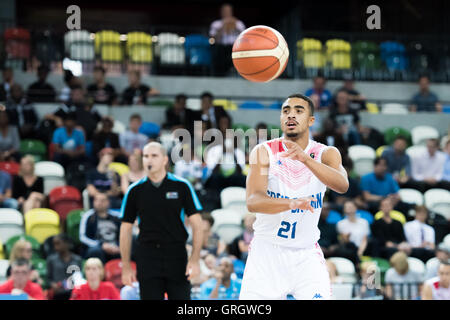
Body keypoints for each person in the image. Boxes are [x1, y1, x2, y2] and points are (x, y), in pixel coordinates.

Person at [240, 93, 349, 300]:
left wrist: (305, 159)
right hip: (267, 253)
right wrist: (292, 203)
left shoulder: (326, 153)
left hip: (306, 254)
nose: (291, 115)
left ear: (310, 120)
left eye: (299, 111)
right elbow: (253, 202)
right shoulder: (264, 151)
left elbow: (342, 185)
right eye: (286, 111)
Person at [120, 142, 204, 300]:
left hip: (177, 255)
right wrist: (126, 267)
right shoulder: (134, 190)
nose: (149, 160)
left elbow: (198, 225)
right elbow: (125, 229)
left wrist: (194, 259)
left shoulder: (182, 186)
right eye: (145, 156)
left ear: (165, 159)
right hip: (147, 256)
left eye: (154, 156)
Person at [79, 192, 121, 263]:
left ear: (108, 202)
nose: (99, 203)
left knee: (128, 250)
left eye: (102, 200)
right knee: (95, 251)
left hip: (114, 246)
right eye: (96, 200)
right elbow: (83, 237)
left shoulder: (116, 216)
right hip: (97, 247)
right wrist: (101, 245)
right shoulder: (88, 216)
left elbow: (124, 234)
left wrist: (119, 246)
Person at [209, 3, 246, 76]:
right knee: (217, 54)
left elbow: (245, 37)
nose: (226, 13)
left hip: (235, 48)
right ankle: (218, 75)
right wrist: (223, 26)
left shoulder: (238, 23)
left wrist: (235, 26)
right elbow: (213, 39)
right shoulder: (216, 24)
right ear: (221, 12)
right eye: (224, 11)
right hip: (221, 48)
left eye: (228, 11)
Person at [46, 234, 83, 300]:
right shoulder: (51, 260)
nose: (55, 247)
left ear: (66, 244)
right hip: (58, 293)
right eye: (54, 244)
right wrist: (52, 285)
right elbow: (48, 279)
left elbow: (79, 278)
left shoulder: (78, 260)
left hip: (73, 292)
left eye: (58, 244)